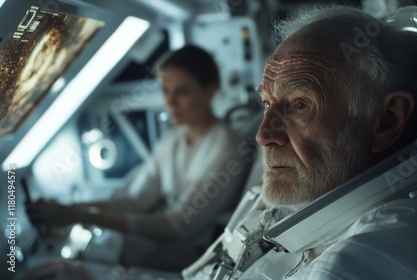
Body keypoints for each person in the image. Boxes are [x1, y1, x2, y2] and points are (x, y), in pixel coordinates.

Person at [182, 5, 417, 280]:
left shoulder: (365, 258)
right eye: (266, 103)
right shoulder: (330, 186)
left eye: (300, 105)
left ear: (386, 120)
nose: (263, 136)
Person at [25, 45, 253, 271]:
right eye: (165, 91)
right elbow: (136, 200)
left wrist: (78, 215)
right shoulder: (173, 139)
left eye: (182, 92)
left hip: (196, 255)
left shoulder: (228, 147)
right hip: (159, 241)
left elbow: (178, 225)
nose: (170, 102)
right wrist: (68, 210)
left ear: (209, 92)